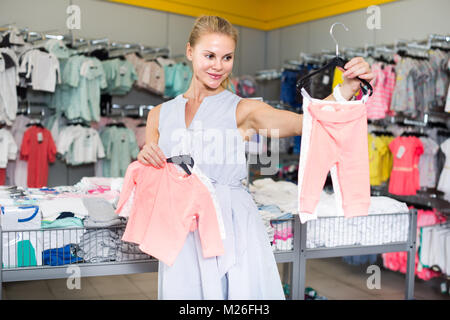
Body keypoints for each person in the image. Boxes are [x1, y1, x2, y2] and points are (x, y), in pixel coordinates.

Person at [137, 15, 375, 299]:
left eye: (227, 57)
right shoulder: (158, 115)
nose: (218, 66)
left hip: (232, 224)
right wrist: (145, 154)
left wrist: (346, 90)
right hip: (180, 228)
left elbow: (306, 123)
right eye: (209, 55)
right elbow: (150, 170)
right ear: (190, 51)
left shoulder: (244, 110)